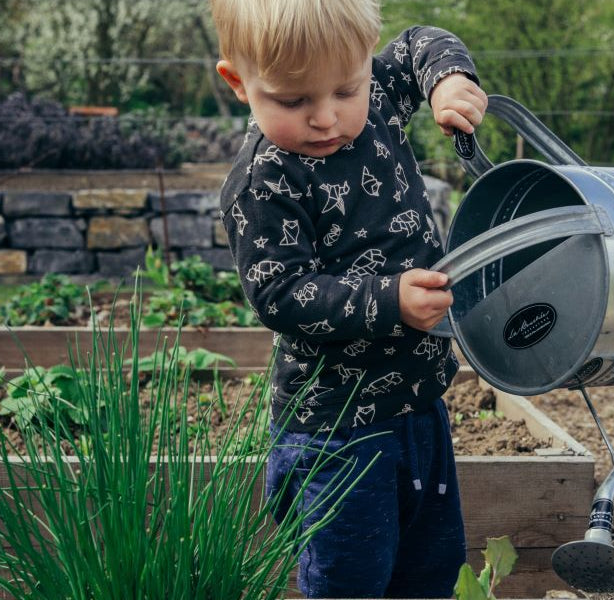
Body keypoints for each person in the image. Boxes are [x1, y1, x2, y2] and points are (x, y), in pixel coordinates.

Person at [211, 0, 487, 597]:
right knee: (351, 580)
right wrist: (389, 301)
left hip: (421, 407)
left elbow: (419, 44)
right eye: (293, 100)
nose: (326, 117)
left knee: (432, 569)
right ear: (239, 82)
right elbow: (279, 293)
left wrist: (449, 81)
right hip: (336, 432)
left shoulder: (379, 98)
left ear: (364, 63)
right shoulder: (266, 181)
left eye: (346, 89)